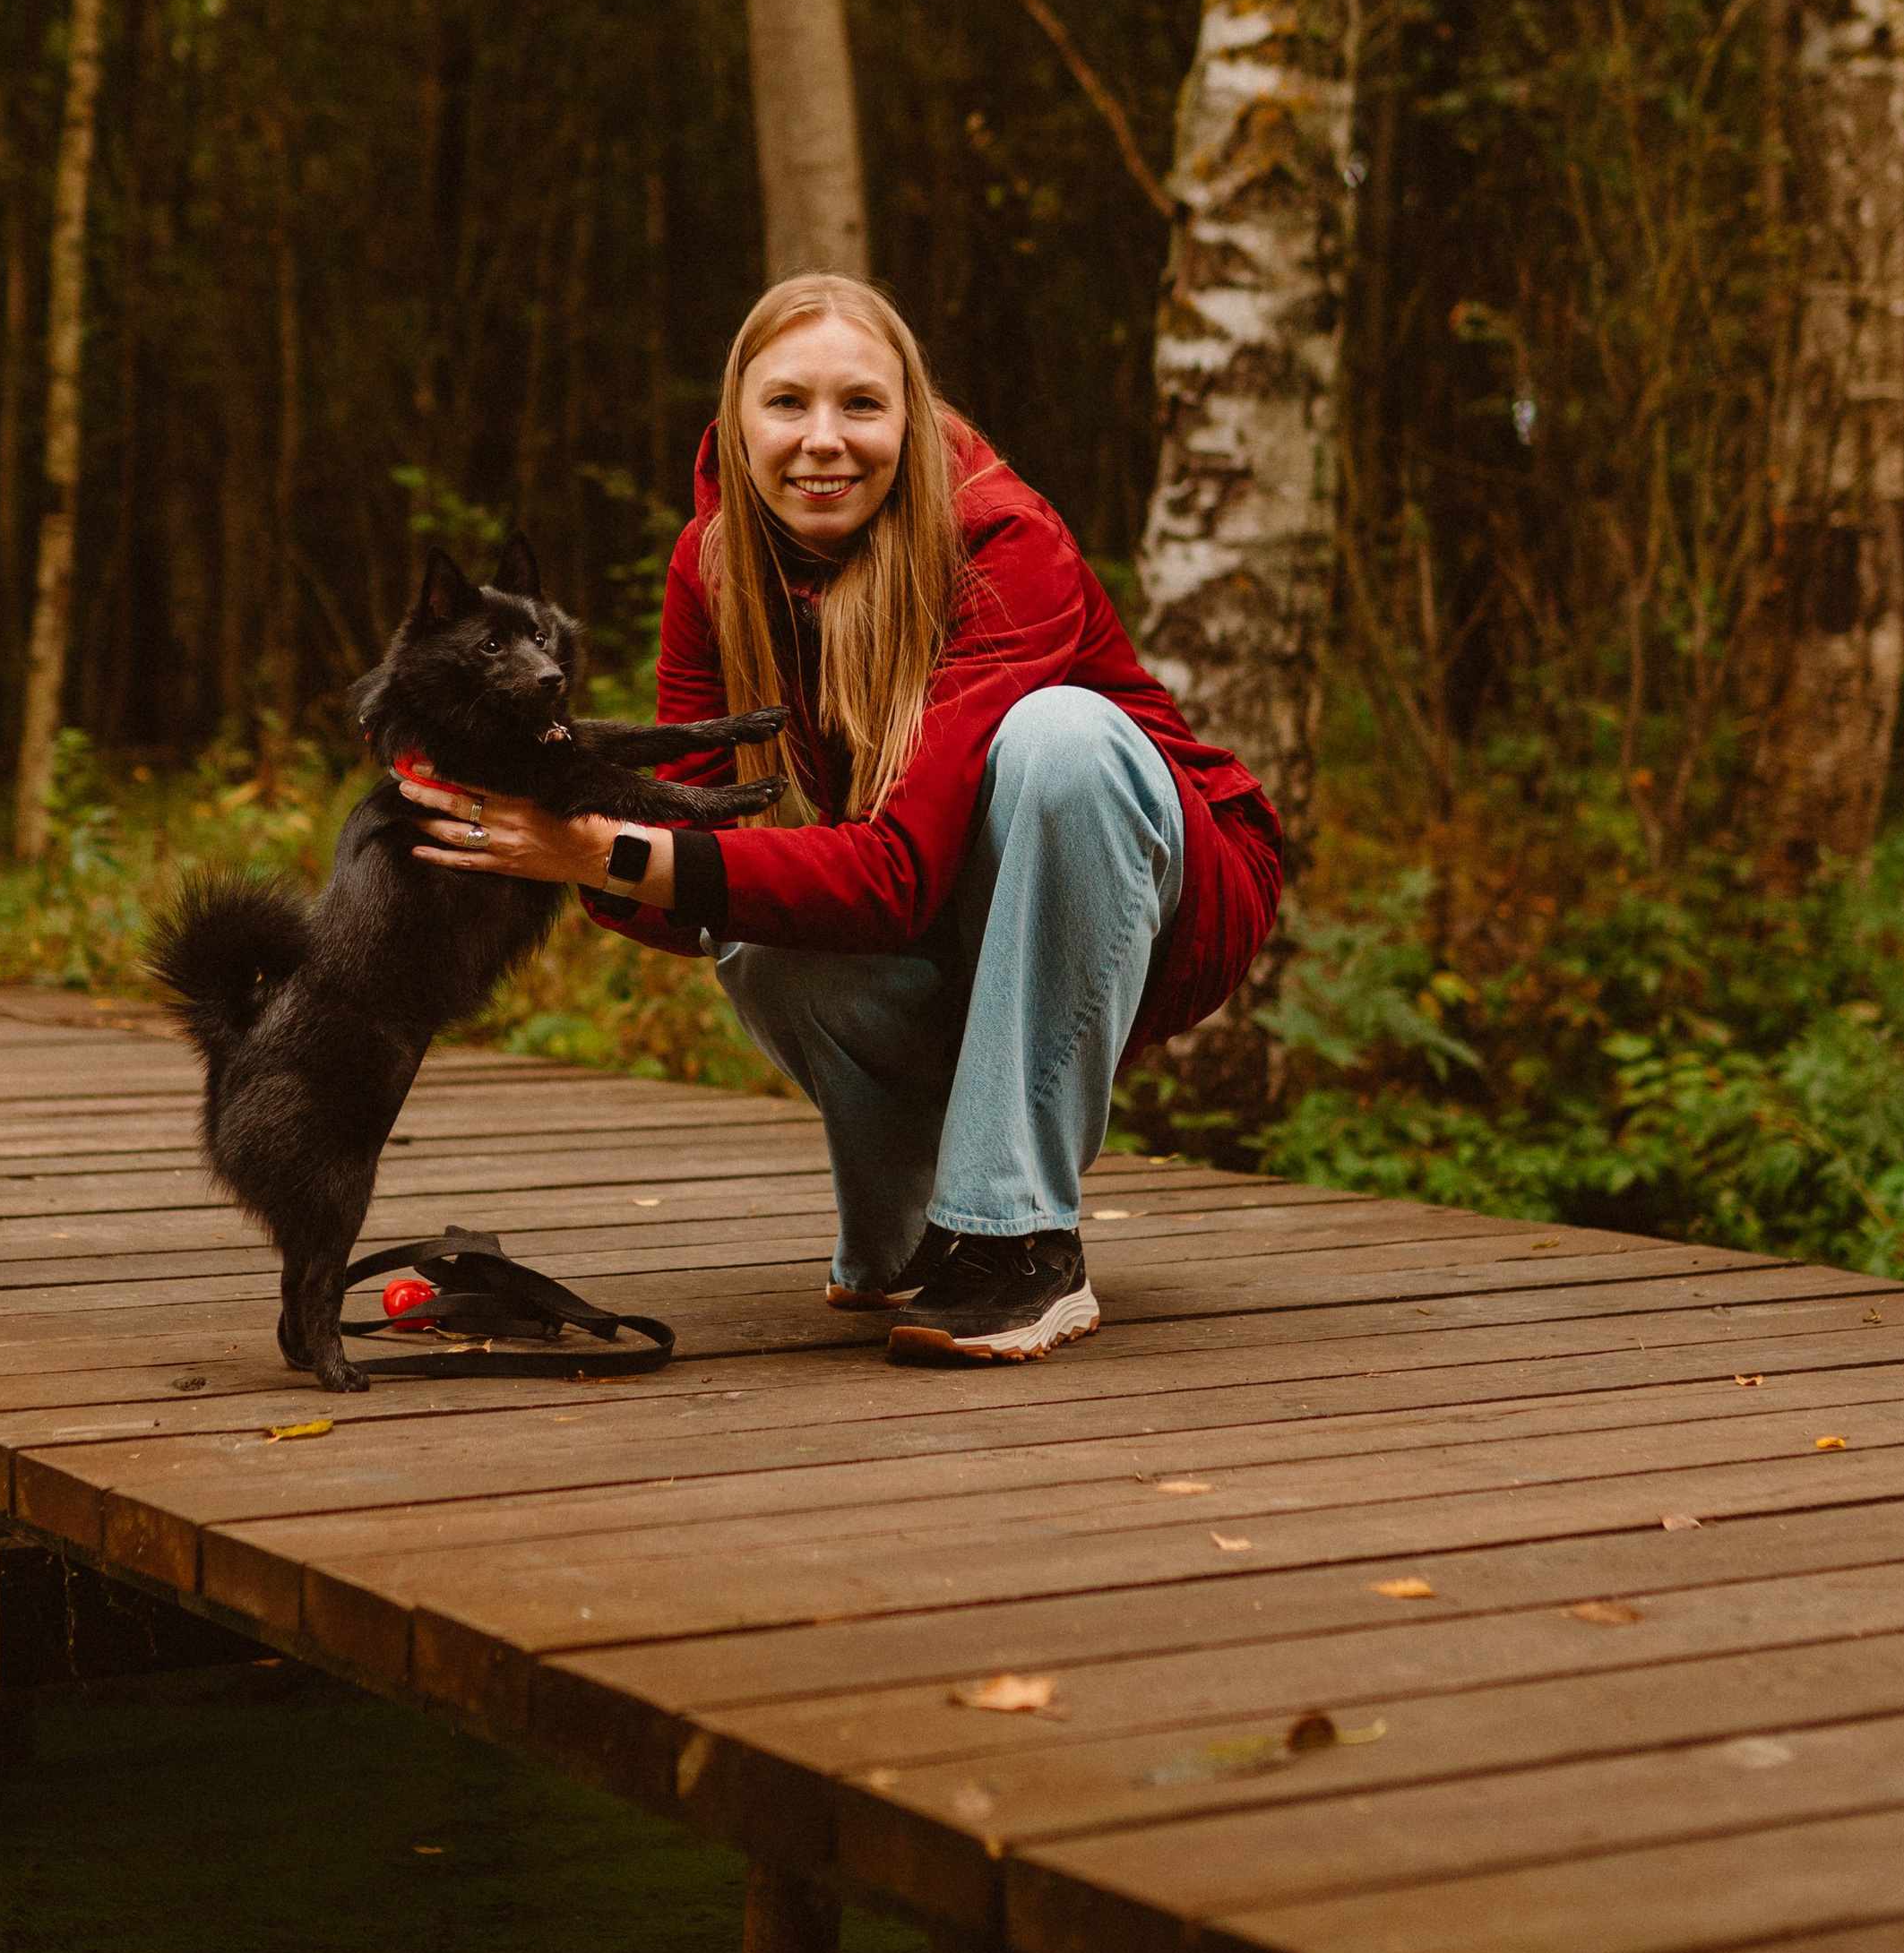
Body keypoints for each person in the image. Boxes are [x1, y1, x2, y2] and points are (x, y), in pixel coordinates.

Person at [401, 274, 1281, 1364]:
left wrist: (596, 849)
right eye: (787, 404)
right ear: (735, 422)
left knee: (1062, 739)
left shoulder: (1005, 543)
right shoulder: (716, 562)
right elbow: (685, 899)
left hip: (1159, 882)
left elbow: (896, 877)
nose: (824, 441)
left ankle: (1019, 1241)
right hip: (966, 888)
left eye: (861, 405)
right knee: (763, 945)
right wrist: (538, 807)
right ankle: (915, 1229)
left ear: (909, 420)